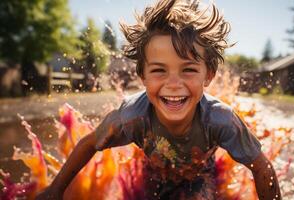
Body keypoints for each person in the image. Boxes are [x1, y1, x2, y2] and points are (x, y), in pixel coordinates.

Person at [36, 0, 281, 199]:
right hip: (153, 173)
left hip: (202, 175)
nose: (173, 84)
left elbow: (262, 167)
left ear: (208, 75)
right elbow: (89, 143)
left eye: (188, 70)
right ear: (142, 75)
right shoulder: (131, 117)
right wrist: (55, 190)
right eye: (159, 70)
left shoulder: (220, 120)